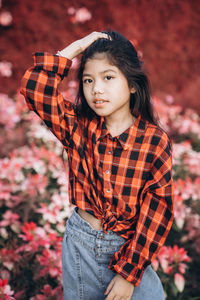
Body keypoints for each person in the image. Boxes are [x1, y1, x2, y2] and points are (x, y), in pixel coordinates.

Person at [20, 30, 174, 300]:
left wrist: (129, 273)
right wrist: (77, 48)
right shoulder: (77, 126)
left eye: (108, 78)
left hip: (129, 249)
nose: (96, 89)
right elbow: (35, 88)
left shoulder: (154, 142)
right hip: (81, 247)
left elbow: (157, 213)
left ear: (132, 85)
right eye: (88, 80)